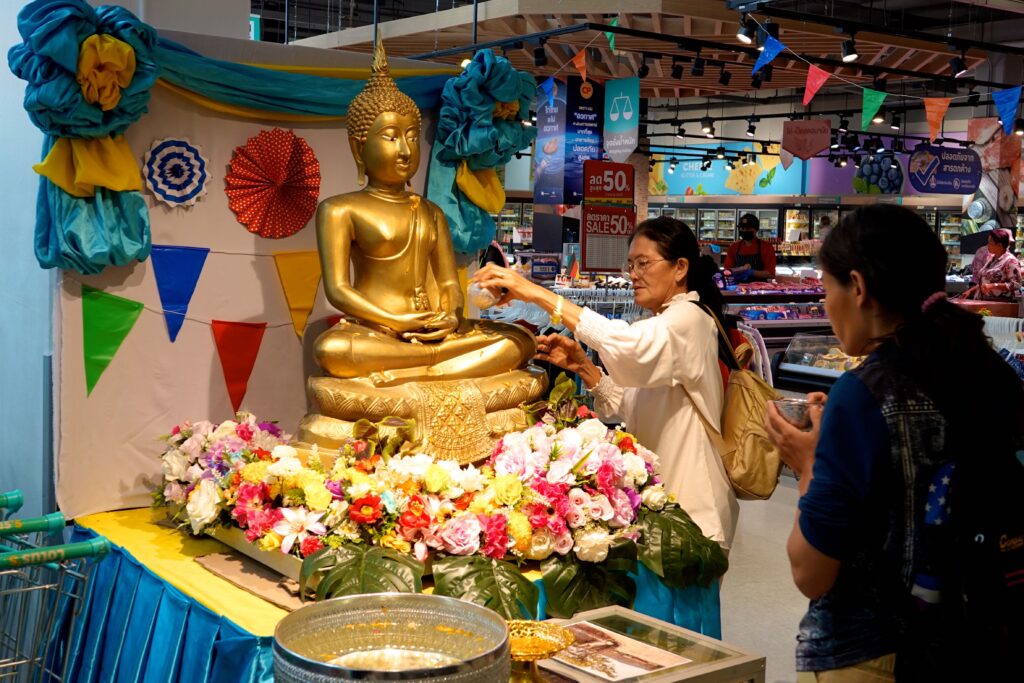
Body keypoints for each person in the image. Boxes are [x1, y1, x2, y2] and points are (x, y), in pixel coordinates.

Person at [764, 205, 1024, 680]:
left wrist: (807, 466)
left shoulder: (862, 395)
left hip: (876, 656)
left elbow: (811, 573)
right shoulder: (992, 373)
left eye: (826, 289)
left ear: (858, 288)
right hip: (985, 638)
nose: (825, 303)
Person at [472, 217, 739, 552]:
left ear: (680, 267)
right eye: (630, 264)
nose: (634, 274)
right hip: (665, 506)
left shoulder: (689, 320)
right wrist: (584, 367)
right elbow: (632, 405)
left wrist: (541, 295)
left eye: (644, 263)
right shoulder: (664, 321)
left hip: (693, 512)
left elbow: (627, 346)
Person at [963, 228, 1021, 301]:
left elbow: (1016, 284)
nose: (987, 245)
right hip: (983, 301)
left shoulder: (1010, 261)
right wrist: (970, 291)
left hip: (998, 304)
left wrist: (994, 286)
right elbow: (985, 282)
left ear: (999, 245)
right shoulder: (992, 259)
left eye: (990, 243)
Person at [724, 213, 776, 281]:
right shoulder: (733, 247)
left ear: (756, 229)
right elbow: (726, 271)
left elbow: (771, 274)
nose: (744, 231)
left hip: (759, 288)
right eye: (742, 228)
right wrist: (738, 271)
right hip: (737, 287)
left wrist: (751, 273)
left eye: (748, 228)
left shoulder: (766, 247)